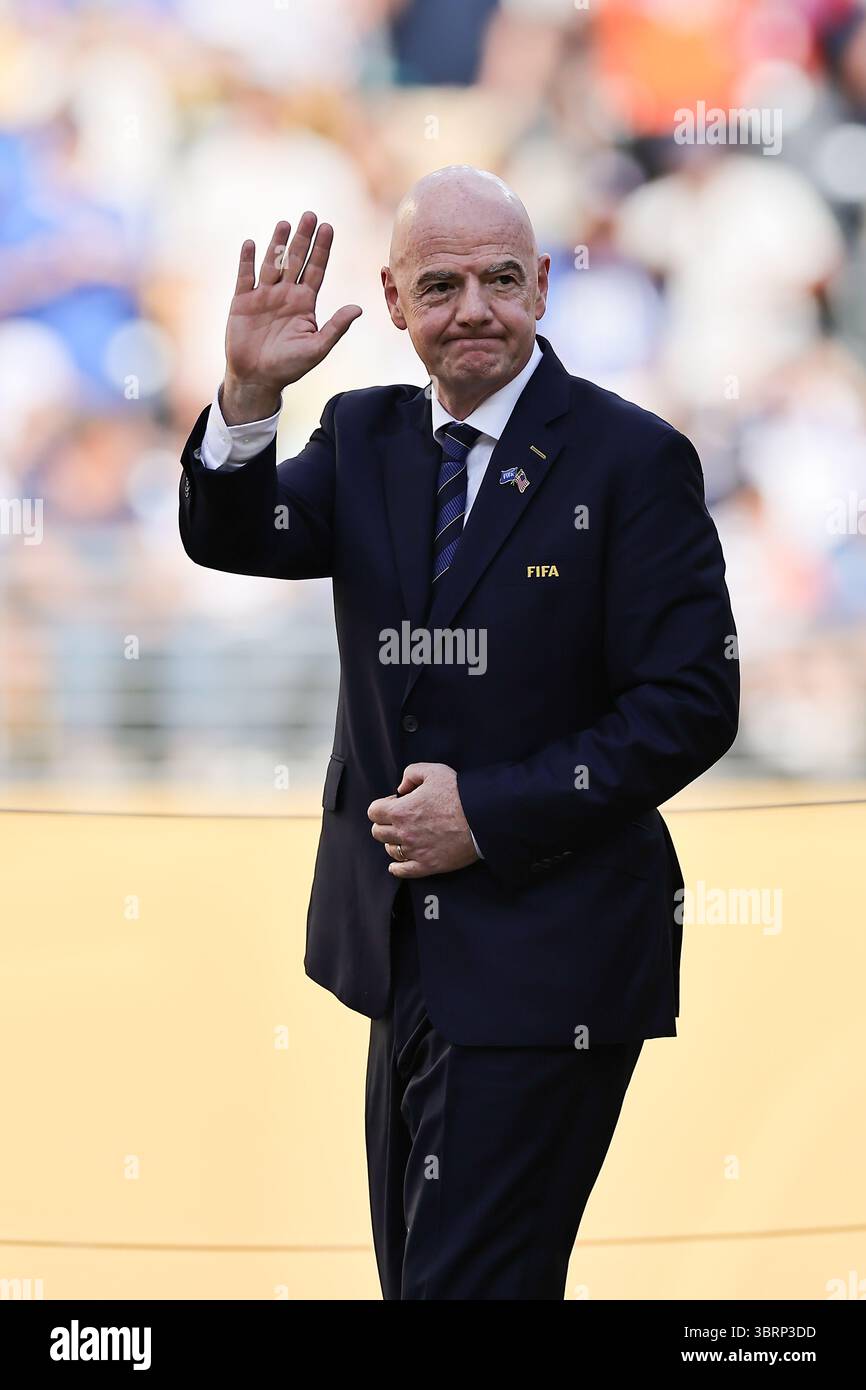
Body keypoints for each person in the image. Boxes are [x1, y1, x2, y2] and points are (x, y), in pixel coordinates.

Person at [178, 165, 739, 1300]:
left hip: (554, 953)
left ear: (541, 284)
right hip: (401, 953)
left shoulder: (630, 459)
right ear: (391, 302)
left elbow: (689, 704)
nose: (471, 308)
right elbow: (238, 537)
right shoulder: (365, 433)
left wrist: (484, 814)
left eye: (497, 280)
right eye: (439, 286)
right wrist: (245, 397)